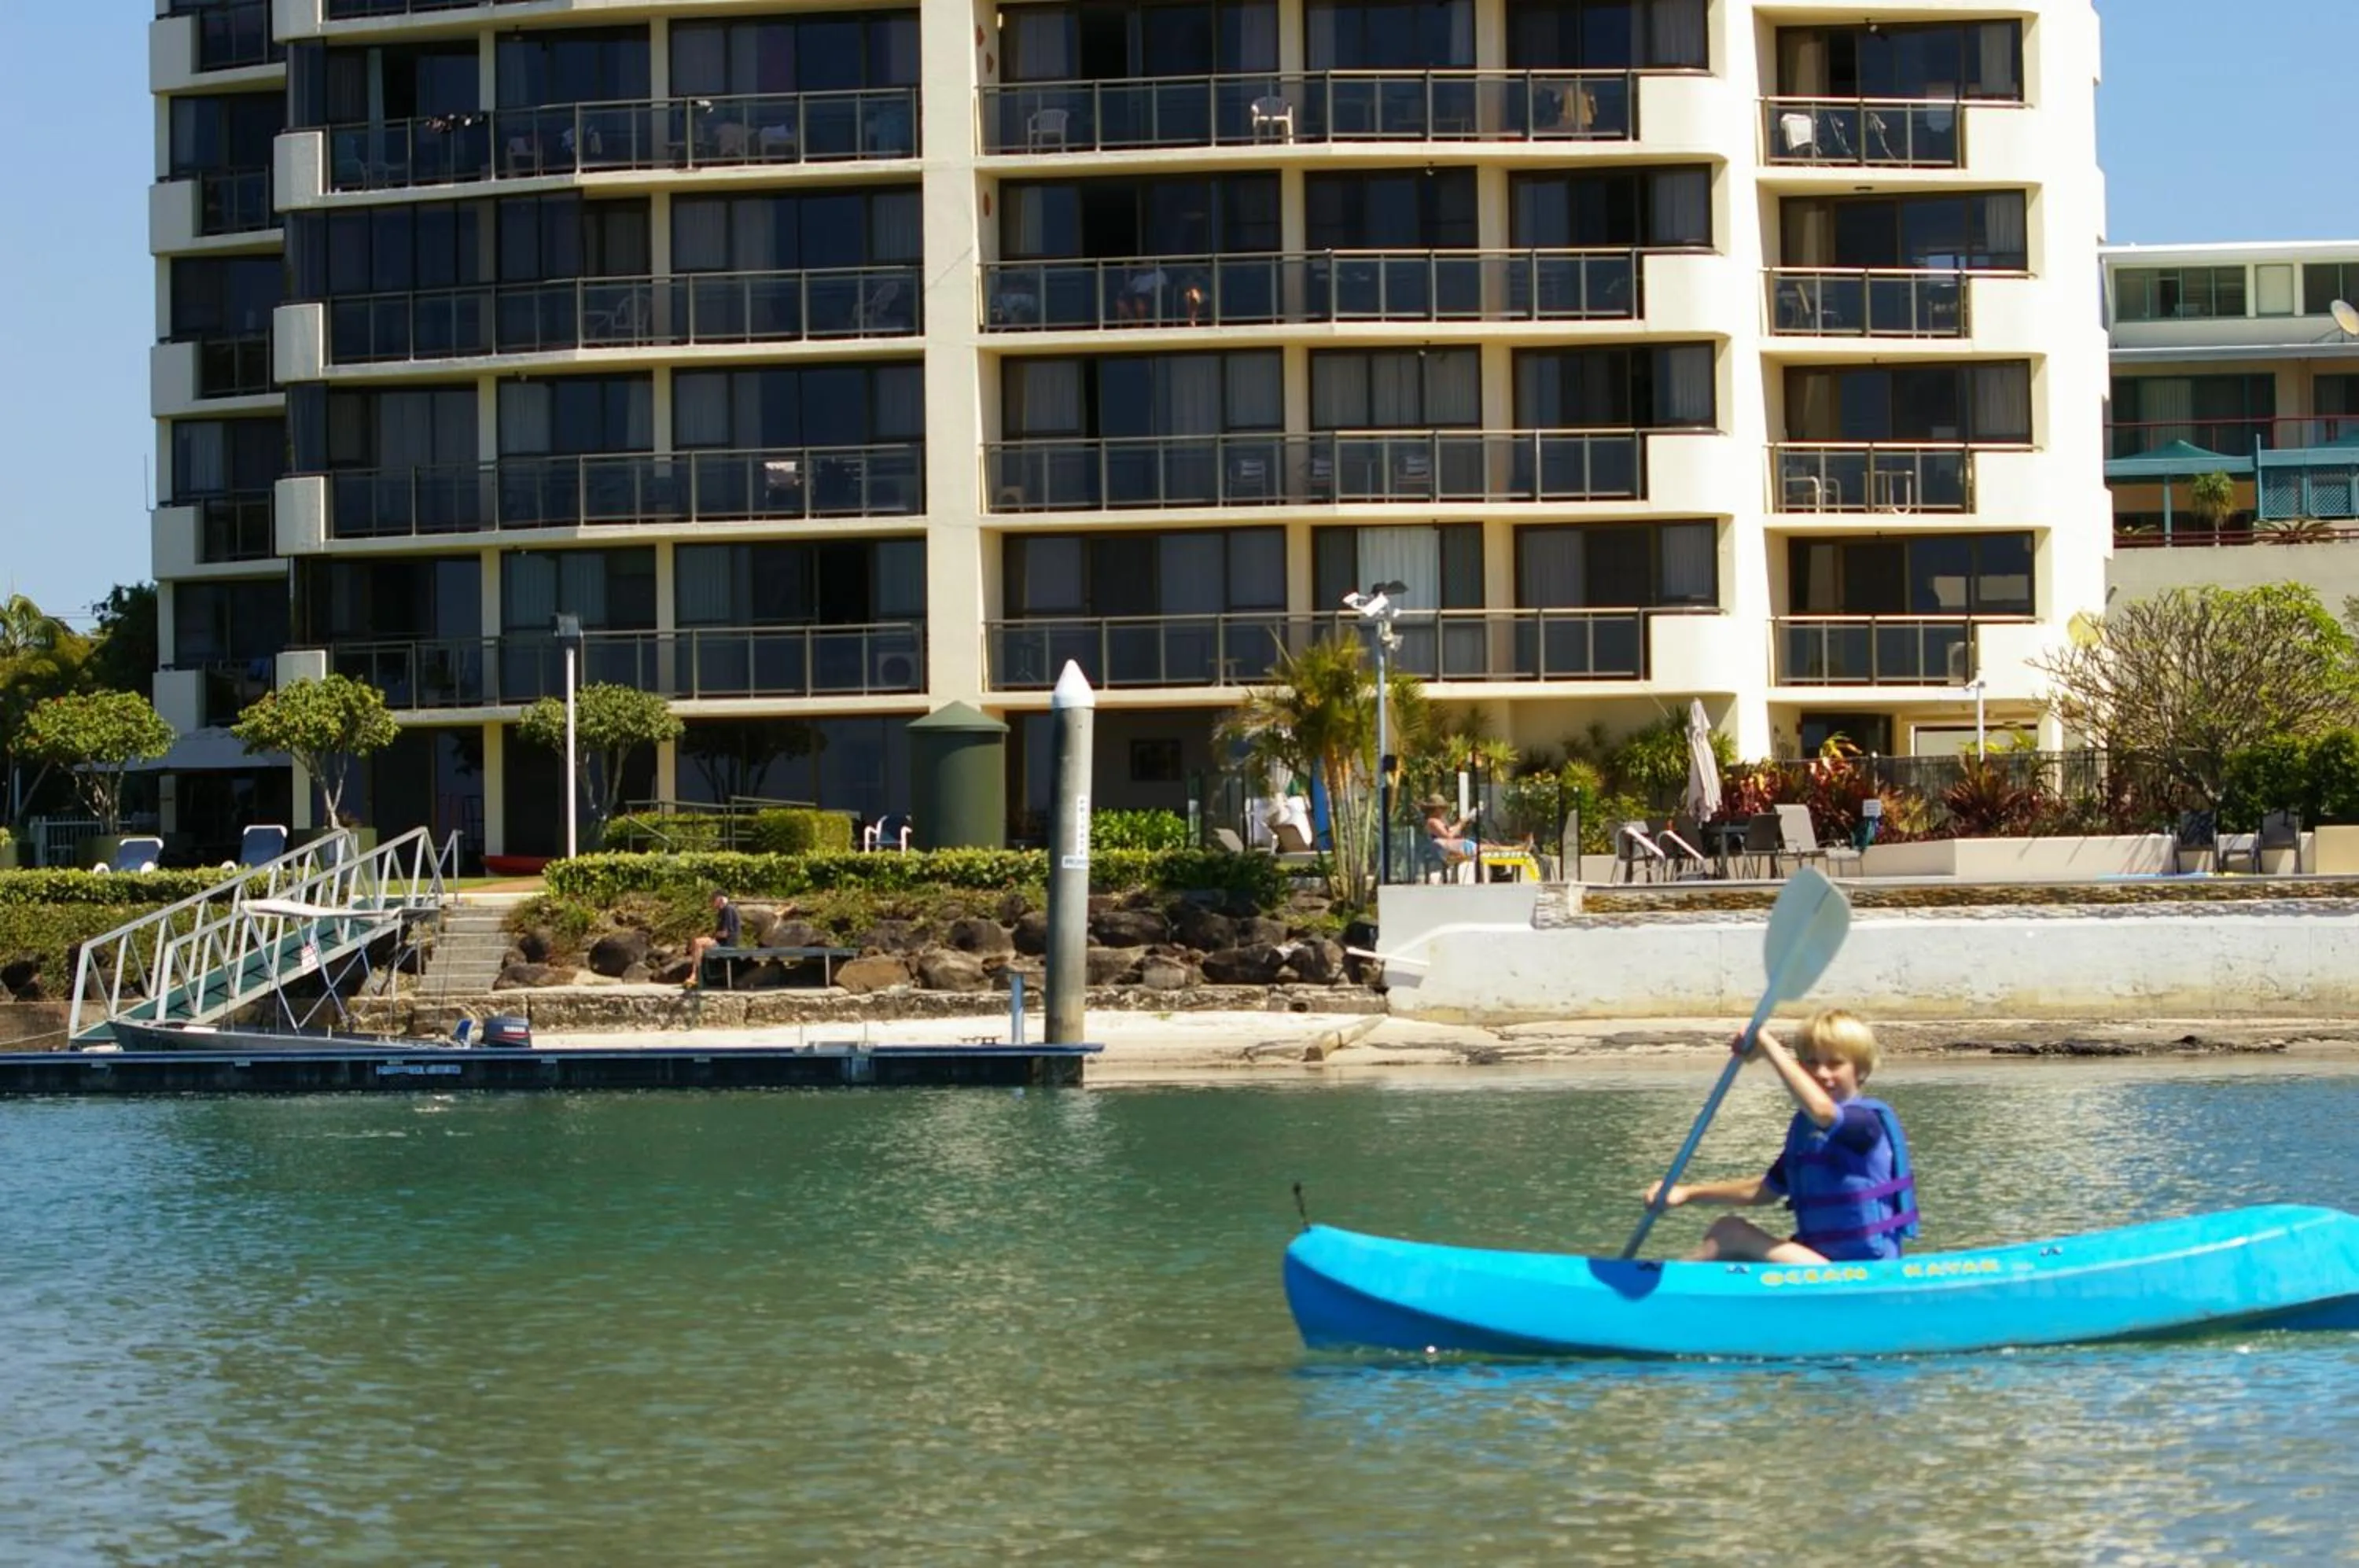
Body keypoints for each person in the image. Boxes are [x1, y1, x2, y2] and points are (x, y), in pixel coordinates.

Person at [1642, 1008, 1917, 1264]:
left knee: (1730, 1232)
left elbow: (1822, 1111)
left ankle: (1660, 1297)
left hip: (1864, 1269)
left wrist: (1768, 1047)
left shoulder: (1864, 1124)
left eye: (1835, 1063)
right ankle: (1672, 1285)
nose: (1821, 1073)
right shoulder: (1806, 1133)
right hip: (1819, 1260)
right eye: (1811, 1062)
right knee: (1729, 1240)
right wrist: (1687, 1193)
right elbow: (1764, 1192)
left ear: (1861, 1071)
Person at [683, 891, 742, 990]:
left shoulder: (728, 910)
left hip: (726, 943)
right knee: (695, 942)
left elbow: (725, 934)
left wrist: (713, 936)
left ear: (720, 900)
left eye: (714, 900)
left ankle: (695, 974)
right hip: (720, 941)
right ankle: (697, 972)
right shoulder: (722, 912)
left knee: (698, 942)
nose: (713, 903)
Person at [1422, 797, 1478, 862]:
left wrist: (1461, 824)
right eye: (1442, 808)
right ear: (1436, 809)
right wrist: (1460, 824)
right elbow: (1448, 836)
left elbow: (1449, 831)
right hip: (1452, 850)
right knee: (1485, 849)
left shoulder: (1437, 821)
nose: (1444, 811)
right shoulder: (1433, 821)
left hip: (1455, 848)